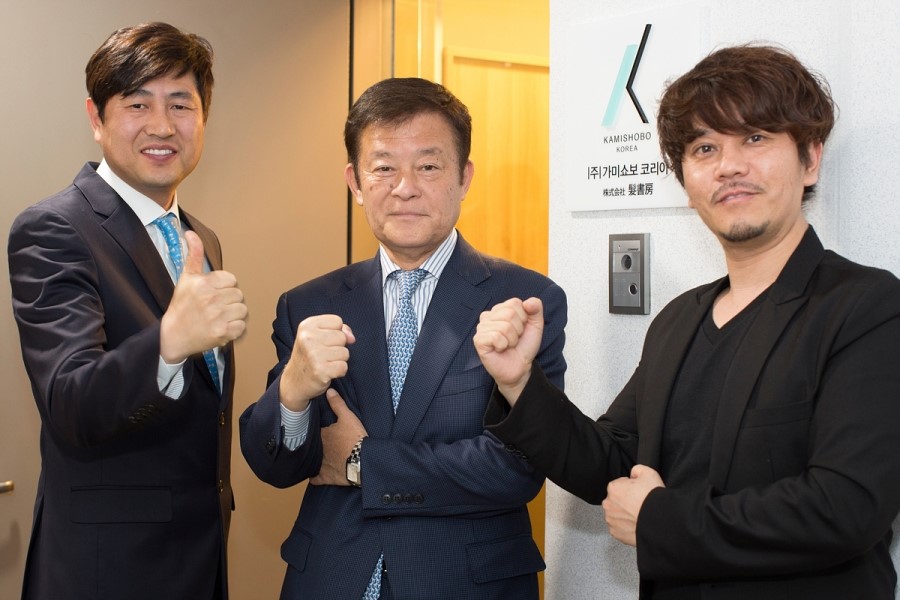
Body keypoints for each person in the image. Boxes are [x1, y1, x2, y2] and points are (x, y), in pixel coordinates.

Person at [474, 44, 900, 598]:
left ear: (811, 158)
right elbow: (613, 463)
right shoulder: (678, 320)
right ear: (686, 180)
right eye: (705, 148)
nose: (729, 166)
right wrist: (518, 382)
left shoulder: (867, 307)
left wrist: (659, 521)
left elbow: (847, 507)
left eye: (756, 138)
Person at [239, 77, 567, 599]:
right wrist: (292, 394)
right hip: (332, 580)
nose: (405, 188)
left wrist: (362, 463)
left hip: (465, 585)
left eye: (429, 167)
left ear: (464, 177)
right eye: (384, 167)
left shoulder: (525, 302)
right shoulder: (309, 305)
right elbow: (273, 465)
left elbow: (519, 466)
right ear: (355, 181)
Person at [8, 22, 248, 600]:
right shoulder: (54, 228)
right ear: (96, 118)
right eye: (138, 104)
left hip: (199, 559)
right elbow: (71, 401)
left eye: (181, 104)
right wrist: (169, 343)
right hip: (105, 572)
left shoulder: (200, 238)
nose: (162, 125)